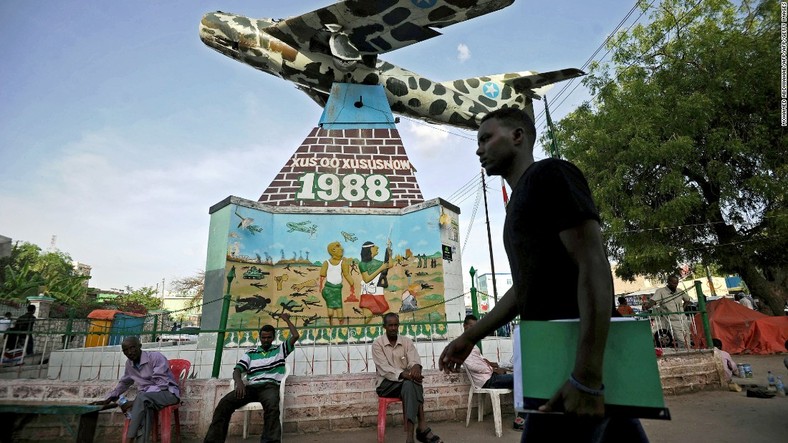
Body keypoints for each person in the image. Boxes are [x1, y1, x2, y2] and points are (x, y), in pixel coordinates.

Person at [439, 108, 648, 442]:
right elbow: (526, 290)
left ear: (518, 136)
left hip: (571, 363)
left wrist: (587, 376)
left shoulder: (551, 174)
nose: (479, 149)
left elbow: (592, 264)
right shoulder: (518, 205)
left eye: (486, 138)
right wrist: (470, 336)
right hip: (558, 360)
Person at [204, 313, 299, 443]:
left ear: (273, 338)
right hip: (250, 387)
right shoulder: (251, 353)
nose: (266, 340)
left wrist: (286, 319)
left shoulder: (280, 350)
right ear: (259, 337)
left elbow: (295, 336)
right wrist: (240, 383)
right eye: (263, 337)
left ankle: (270, 441)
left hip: (269, 387)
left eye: (269, 337)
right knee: (224, 403)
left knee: (272, 407)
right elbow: (237, 370)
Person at [91, 336, 180, 443]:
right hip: (148, 399)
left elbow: (162, 384)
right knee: (143, 407)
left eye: (132, 348)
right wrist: (109, 398)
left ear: (140, 346)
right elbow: (124, 382)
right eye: (125, 350)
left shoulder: (155, 357)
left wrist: (135, 401)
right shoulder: (129, 364)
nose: (129, 352)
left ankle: (129, 439)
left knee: (142, 399)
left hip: (168, 394)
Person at [372, 313, 442, 443]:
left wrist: (415, 367)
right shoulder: (377, 344)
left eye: (396, 325)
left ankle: (410, 437)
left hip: (406, 383)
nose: (393, 328)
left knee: (410, 384)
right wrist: (407, 374)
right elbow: (384, 369)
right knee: (412, 382)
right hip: (385, 385)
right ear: (384, 327)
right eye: (390, 325)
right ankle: (422, 427)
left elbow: (413, 359)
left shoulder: (406, 342)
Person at [462, 315, 526, 430]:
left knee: (519, 378)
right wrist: (493, 369)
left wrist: (491, 365)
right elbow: (472, 365)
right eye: (471, 326)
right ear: (464, 326)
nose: (473, 329)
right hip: (487, 380)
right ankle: (520, 420)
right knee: (522, 380)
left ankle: (523, 415)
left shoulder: (470, 343)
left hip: (489, 377)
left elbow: (481, 361)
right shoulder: (463, 344)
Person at [643, 275, 692, 348]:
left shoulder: (679, 291)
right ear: (668, 282)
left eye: (677, 283)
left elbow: (687, 300)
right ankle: (686, 353)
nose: (675, 285)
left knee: (687, 340)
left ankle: (686, 354)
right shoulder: (661, 291)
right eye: (673, 283)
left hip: (683, 319)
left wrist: (682, 310)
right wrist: (647, 306)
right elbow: (653, 300)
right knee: (682, 341)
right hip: (672, 320)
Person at [319, 241, 355, 324]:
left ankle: (339, 323)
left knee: (339, 309)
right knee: (331, 311)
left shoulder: (343, 263)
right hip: (328, 288)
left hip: (337, 289)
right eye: (339, 247)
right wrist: (320, 286)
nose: (342, 249)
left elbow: (346, 274)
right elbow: (322, 274)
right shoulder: (326, 263)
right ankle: (331, 323)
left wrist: (351, 282)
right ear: (333, 250)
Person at [359, 240, 394, 324]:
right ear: (369, 249)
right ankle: (357, 333)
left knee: (387, 315)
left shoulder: (377, 262)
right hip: (368, 293)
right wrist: (380, 269)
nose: (377, 248)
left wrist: (388, 251)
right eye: (374, 247)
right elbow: (366, 279)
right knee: (367, 317)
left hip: (378, 293)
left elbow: (390, 264)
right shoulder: (362, 264)